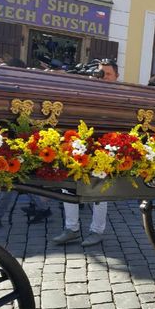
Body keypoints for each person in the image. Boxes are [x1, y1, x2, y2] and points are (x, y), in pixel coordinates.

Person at [52, 59, 117, 247]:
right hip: (81, 144)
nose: (103, 78)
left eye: (108, 74)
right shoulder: (88, 91)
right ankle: (71, 228)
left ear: (116, 76)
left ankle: (97, 230)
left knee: (99, 191)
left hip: (105, 148)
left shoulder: (118, 94)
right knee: (68, 185)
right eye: (100, 73)